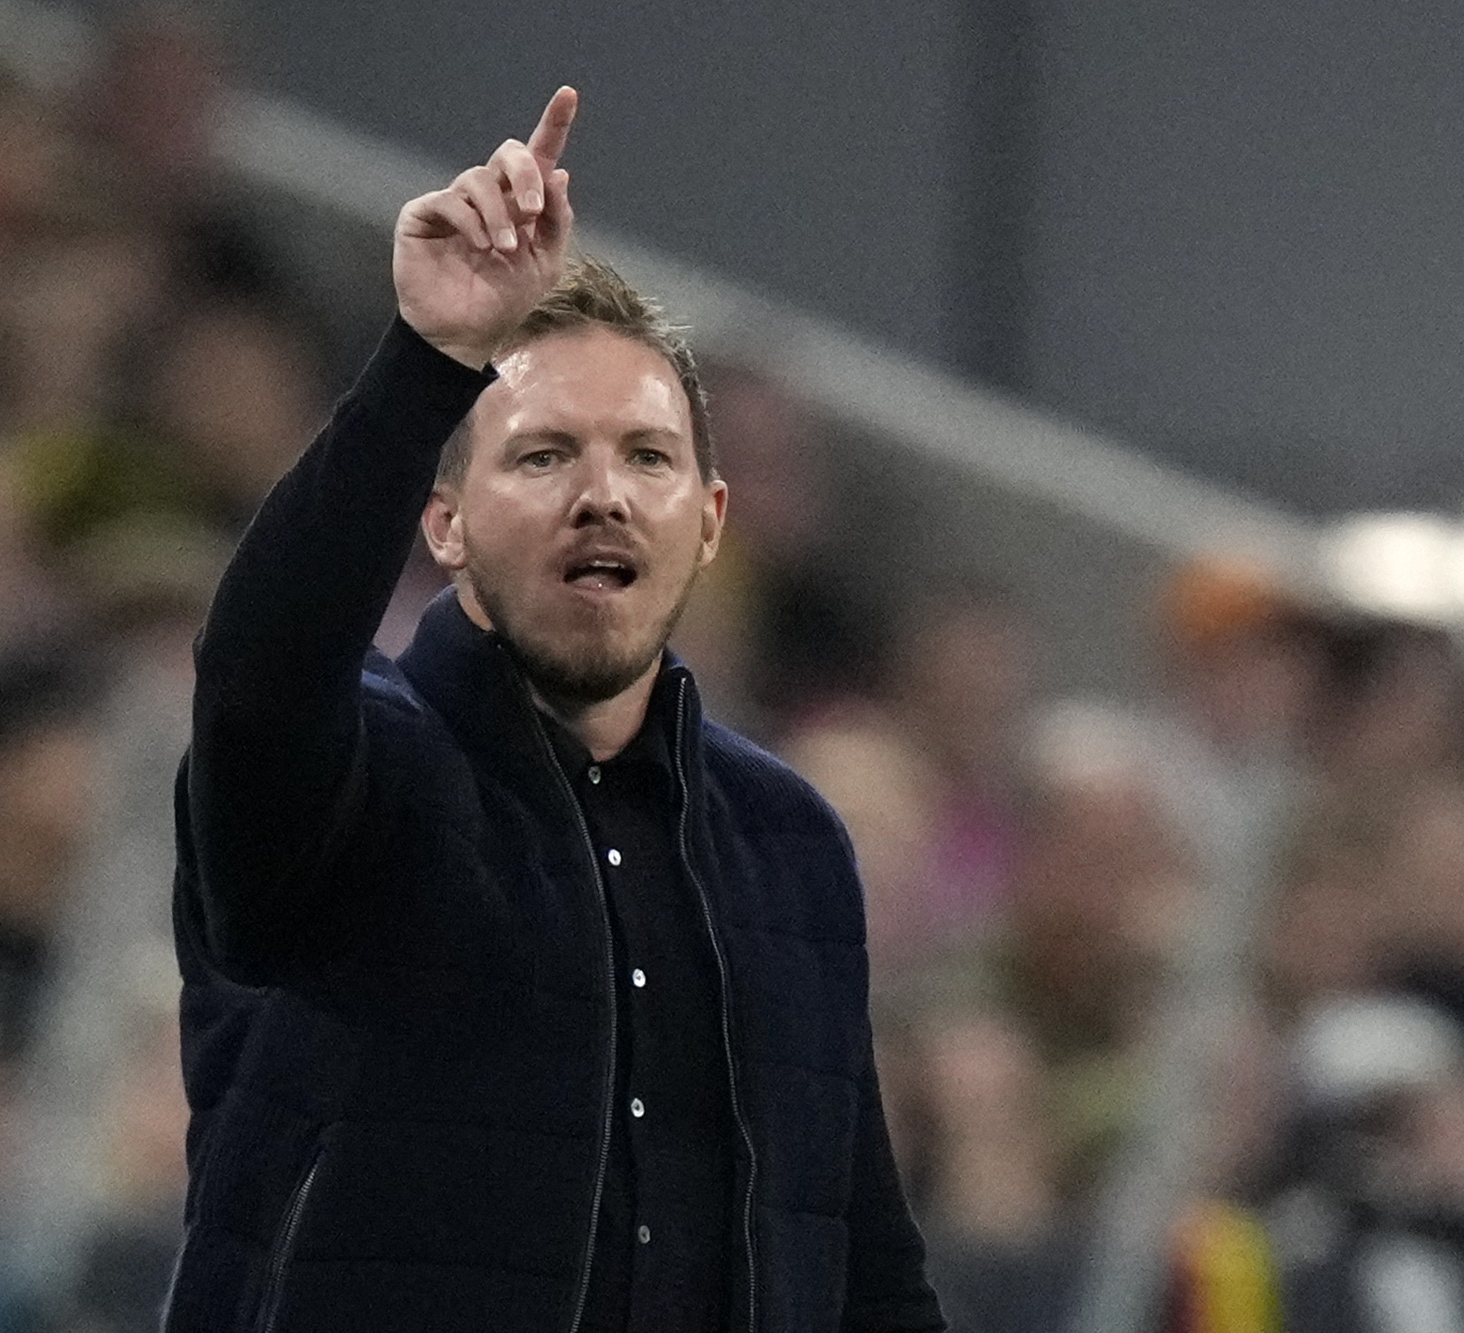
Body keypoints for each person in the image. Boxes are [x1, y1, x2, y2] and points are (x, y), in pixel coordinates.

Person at [170, 87, 944, 1333]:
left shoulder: (789, 840)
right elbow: (259, 678)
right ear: (445, 523)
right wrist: (426, 361)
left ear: (708, 524)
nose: (602, 495)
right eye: (541, 456)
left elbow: (860, 1262)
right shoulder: (361, 775)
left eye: (646, 456)